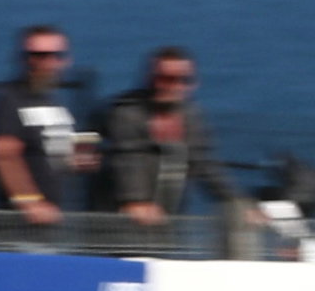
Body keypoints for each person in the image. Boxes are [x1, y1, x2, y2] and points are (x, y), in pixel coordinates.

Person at [100, 46, 253, 225]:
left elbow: (205, 163)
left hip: (168, 216)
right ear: (150, 79)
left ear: (193, 84)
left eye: (184, 80)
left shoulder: (191, 117)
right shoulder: (126, 112)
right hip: (118, 221)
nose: (174, 86)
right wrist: (136, 199)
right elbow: (128, 158)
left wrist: (236, 201)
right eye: (165, 79)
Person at [0, 25, 94, 224]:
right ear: (24, 59)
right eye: (38, 56)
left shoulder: (57, 102)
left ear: (66, 60)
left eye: (56, 55)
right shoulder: (9, 99)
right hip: (18, 223)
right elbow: (4, 155)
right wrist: (29, 202)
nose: (47, 62)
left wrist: (80, 160)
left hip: (55, 218)